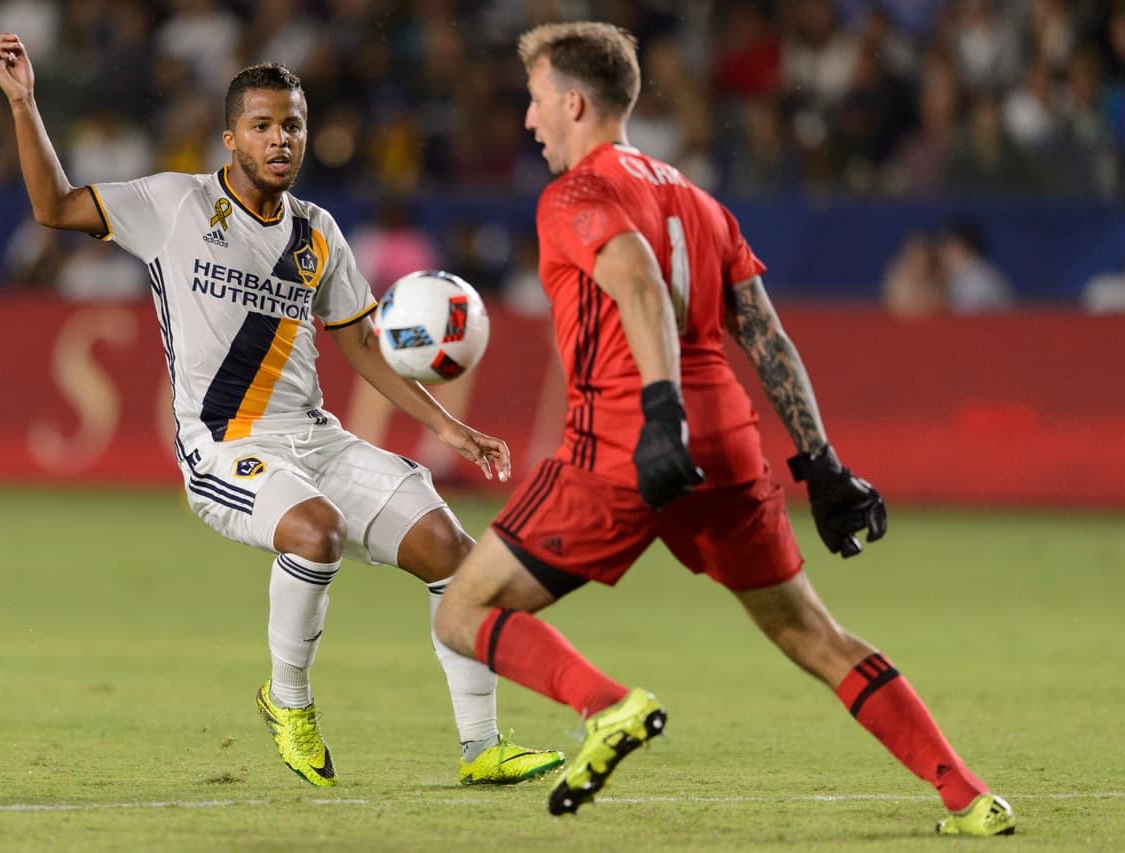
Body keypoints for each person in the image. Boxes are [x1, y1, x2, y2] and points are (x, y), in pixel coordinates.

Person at [433, 21, 1016, 837]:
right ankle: (967, 793)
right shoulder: (697, 200)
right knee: (810, 630)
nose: (528, 122)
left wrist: (661, 415)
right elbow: (767, 337)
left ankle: (606, 706)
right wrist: (823, 462)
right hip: (729, 443)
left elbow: (634, 280)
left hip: (629, 436)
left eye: (534, 102)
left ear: (573, 102)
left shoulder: (573, 196)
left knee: (461, 612)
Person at [0, 33, 563, 789]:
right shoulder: (173, 205)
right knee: (315, 531)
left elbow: (361, 345)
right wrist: (26, 103)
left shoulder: (318, 233)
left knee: (452, 551)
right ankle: (288, 701)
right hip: (223, 444)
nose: (280, 138)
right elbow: (55, 206)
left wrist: (448, 426)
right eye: (262, 125)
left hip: (314, 437)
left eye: (291, 124)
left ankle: (481, 745)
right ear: (231, 138)